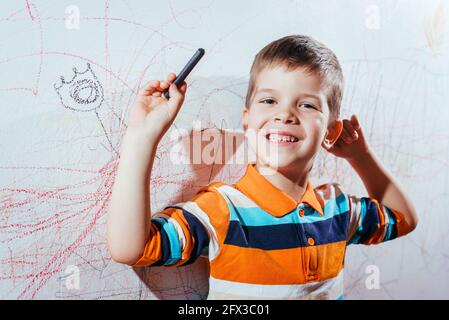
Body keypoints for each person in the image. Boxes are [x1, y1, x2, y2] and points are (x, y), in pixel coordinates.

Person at [107, 35, 418, 300]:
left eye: (306, 104)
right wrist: (142, 137)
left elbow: (402, 219)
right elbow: (131, 248)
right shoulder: (222, 210)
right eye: (269, 101)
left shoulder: (337, 209)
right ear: (247, 119)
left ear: (331, 132)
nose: (285, 114)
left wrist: (360, 156)